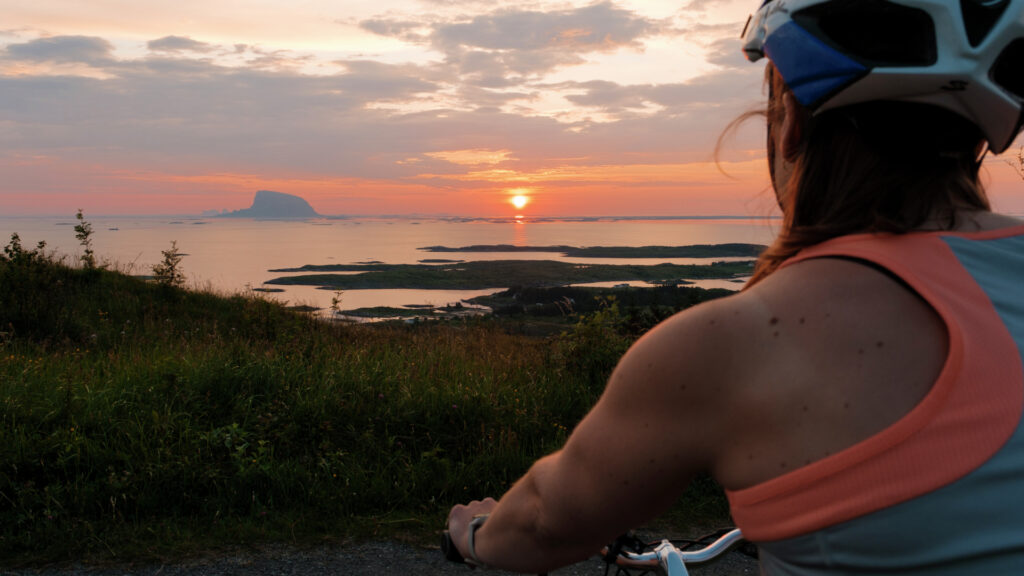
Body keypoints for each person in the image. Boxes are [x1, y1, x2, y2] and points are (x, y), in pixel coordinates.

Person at [448, 0, 1024, 573]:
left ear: (791, 120)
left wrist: (474, 534)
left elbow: (548, 520)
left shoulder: (734, 343)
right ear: (985, 134)